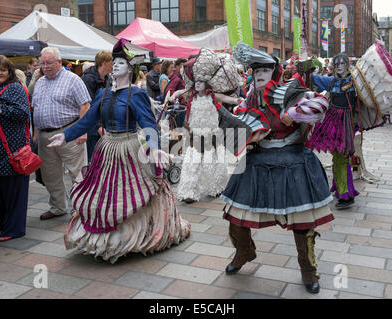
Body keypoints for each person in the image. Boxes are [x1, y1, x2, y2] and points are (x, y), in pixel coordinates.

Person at [47, 39, 190, 263]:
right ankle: (103, 237)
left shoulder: (136, 94)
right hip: (107, 148)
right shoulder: (103, 94)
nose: (115, 65)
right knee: (103, 192)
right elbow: (87, 121)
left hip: (130, 146)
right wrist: (66, 135)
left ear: (130, 68)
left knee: (131, 191)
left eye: (121, 62)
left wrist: (153, 149)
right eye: (114, 61)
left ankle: (132, 237)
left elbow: (149, 124)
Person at [216, 43, 333, 294]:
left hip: (293, 162)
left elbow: (322, 104)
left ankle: (308, 270)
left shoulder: (290, 91)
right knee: (235, 216)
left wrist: (295, 113)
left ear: (275, 72)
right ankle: (244, 252)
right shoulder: (249, 97)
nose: (258, 73)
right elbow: (238, 124)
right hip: (258, 162)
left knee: (302, 224)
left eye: (265, 69)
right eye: (255, 68)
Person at [309, 53, 384, 209]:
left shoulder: (357, 82)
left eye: (342, 63)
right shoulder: (331, 81)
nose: (339, 66)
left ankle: (345, 193)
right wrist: (307, 67)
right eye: (336, 64)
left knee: (342, 156)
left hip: (348, 123)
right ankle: (341, 190)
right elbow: (312, 78)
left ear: (348, 65)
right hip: (333, 123)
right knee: (339, 156)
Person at [168, 51, 242, 204]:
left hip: (211, 134)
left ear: (207, 83)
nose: (198, 84)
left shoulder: (212, 95)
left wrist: (237, 101)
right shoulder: (192, 95)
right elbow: (180, 91)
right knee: (191, 160)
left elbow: (226, 98)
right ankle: (189, 191)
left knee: (212, 159)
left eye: (201, 82)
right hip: (195, 134)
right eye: (196, 82)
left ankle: (216, 187)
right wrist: (173, 96)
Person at [32, 47, 91, 221]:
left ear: (59, 62)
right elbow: (36, 109)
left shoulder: (73, 79)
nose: (45, 66)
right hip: (45, 135)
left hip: (70, 132)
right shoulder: (40, 82)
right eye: (42, 63)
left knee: (77, 172)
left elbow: (85, 106)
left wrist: (82, 131)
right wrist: (35, 135)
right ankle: (58, 207)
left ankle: (82, 208)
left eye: (49, 63)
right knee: (50, 174)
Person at [0, 55, 31, 242]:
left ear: (9, 72)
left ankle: (15, 228)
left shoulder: (14, 88)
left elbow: (23, 113)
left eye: (3, 69)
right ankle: (5, 222)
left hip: (11, 149)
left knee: (13, 191)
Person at [81, 50, 113, 162]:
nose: (114, 64)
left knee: (105, 159)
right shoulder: (88, 79)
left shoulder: (108, 78)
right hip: (92, 127)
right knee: (92, 160)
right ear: (104, 63)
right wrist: (99, 126)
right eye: (112, 61)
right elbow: (88, 106)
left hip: (105, 124)